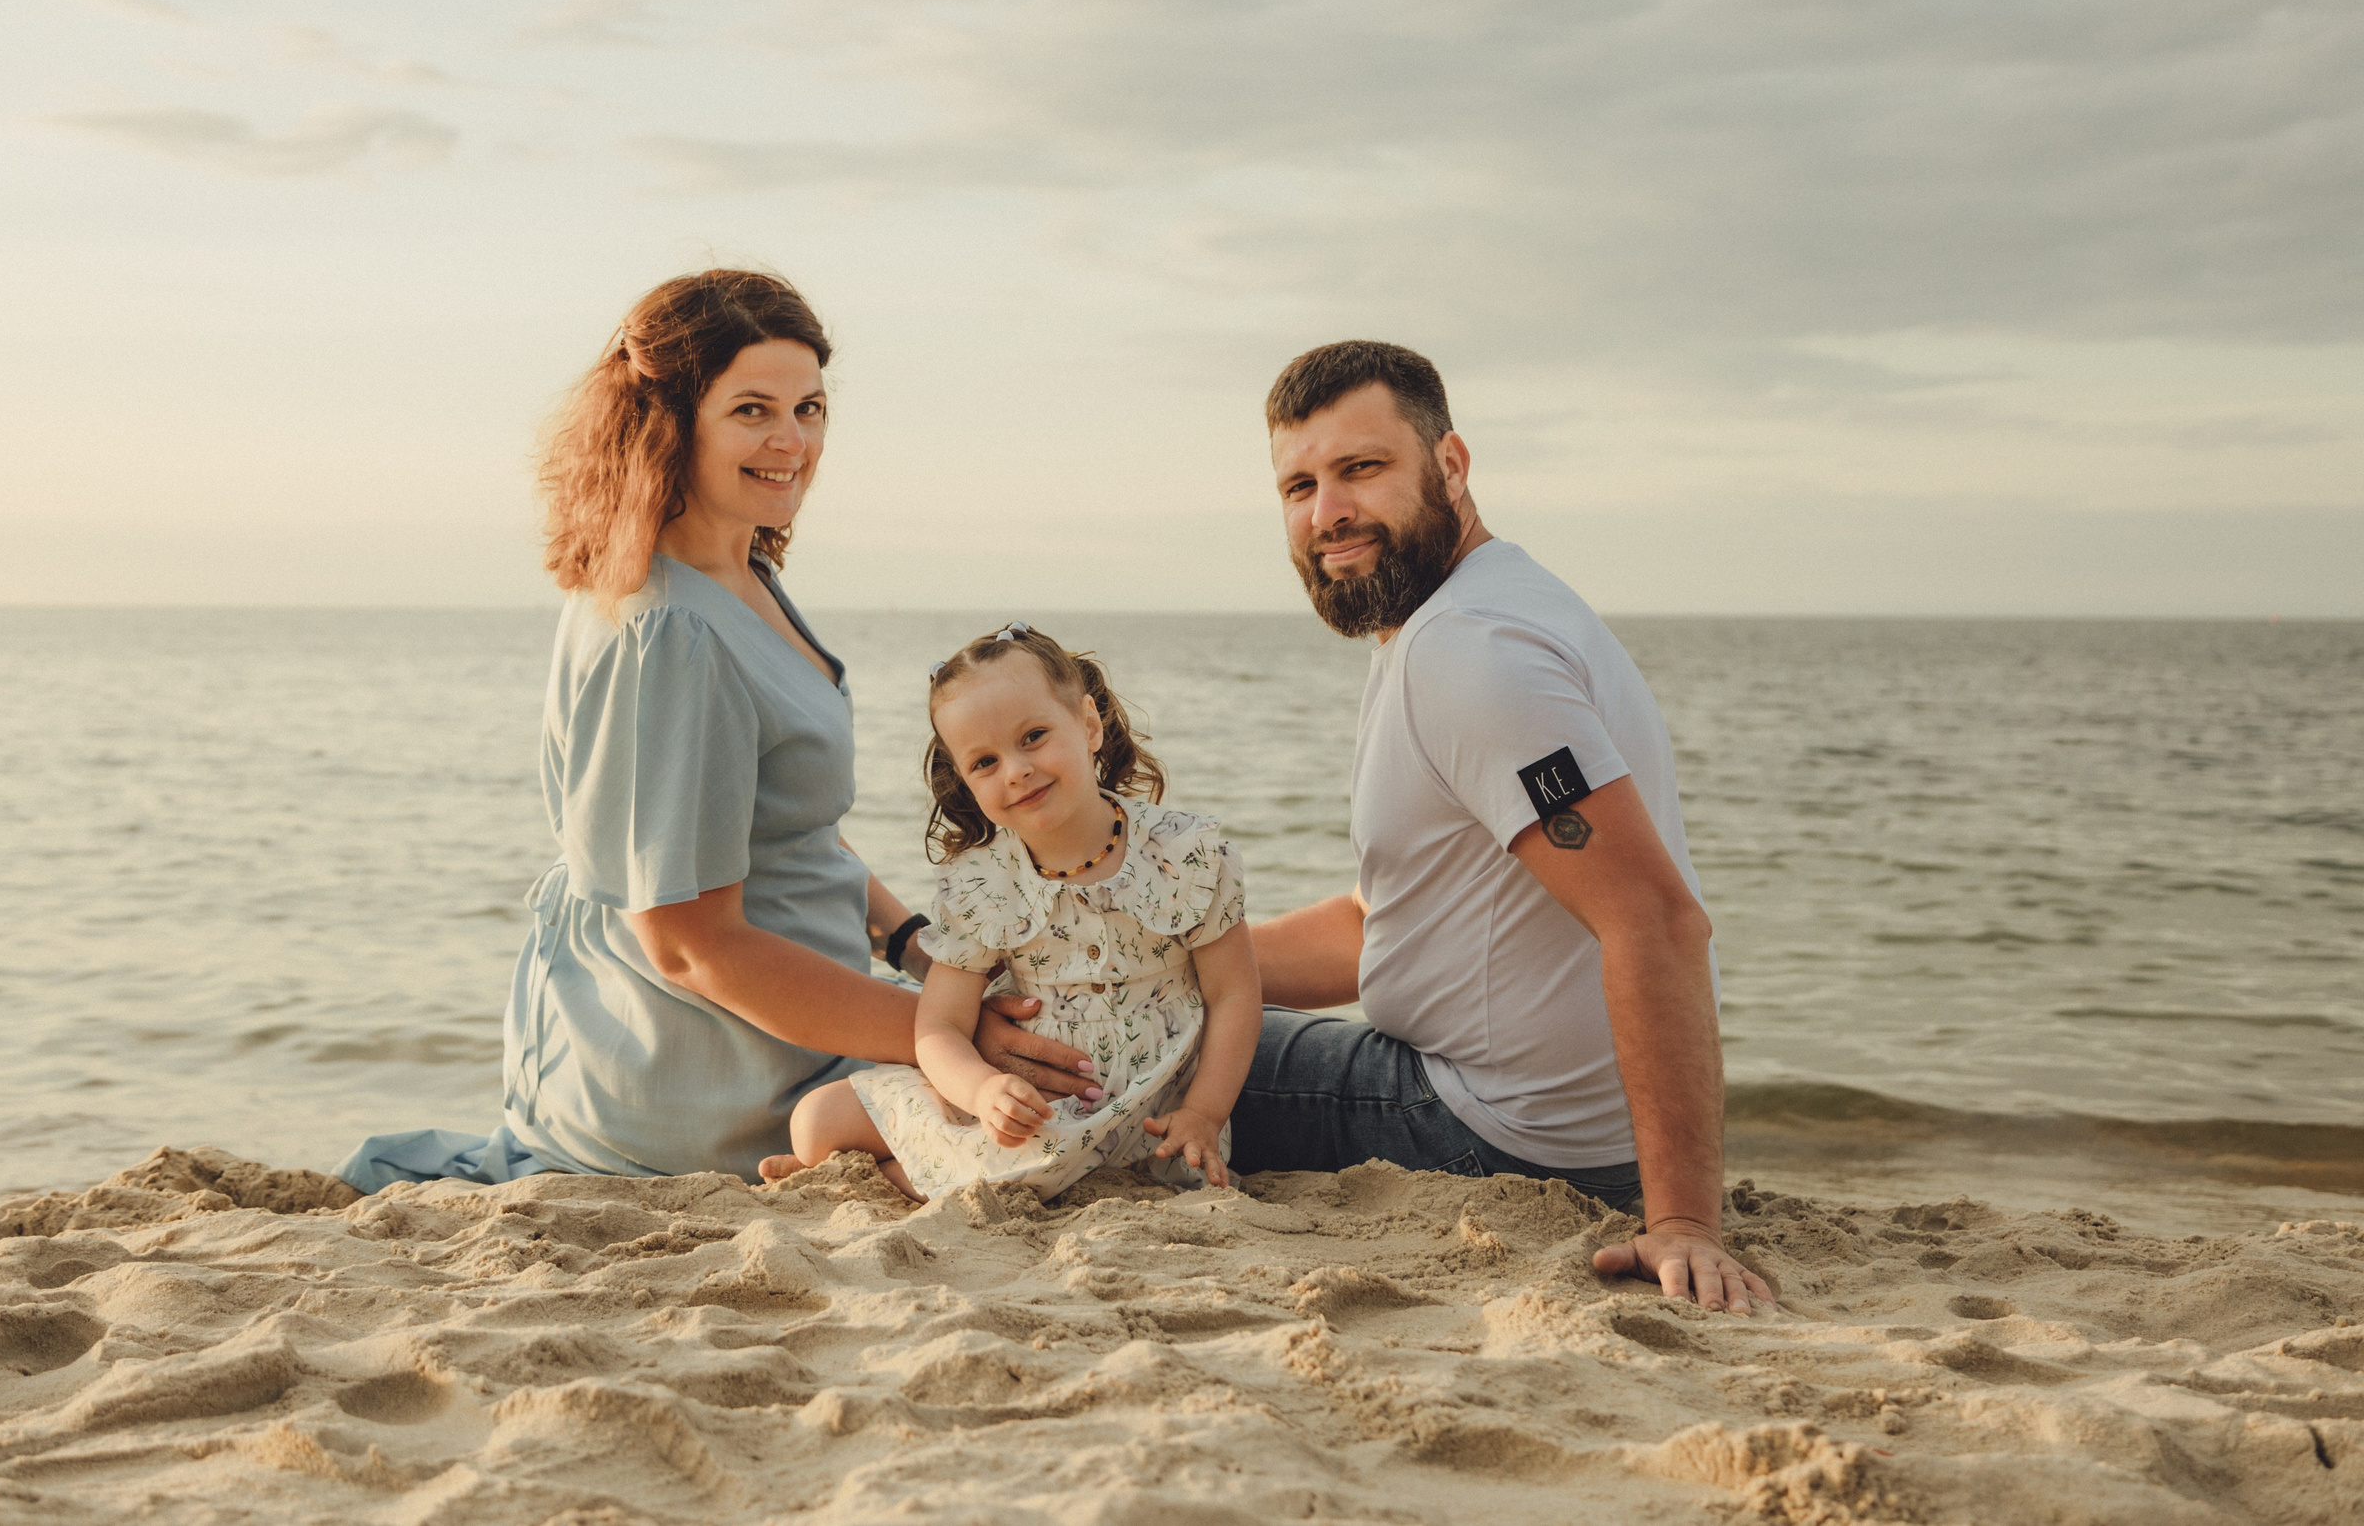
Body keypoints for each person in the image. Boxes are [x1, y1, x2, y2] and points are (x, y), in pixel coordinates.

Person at [330, 270, 1101, 1193]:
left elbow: (785, 825)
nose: (793, 440)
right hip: (704, 1067)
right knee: (1079, 1076)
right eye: (752, 410)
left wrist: (913, 945)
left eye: (809, 407)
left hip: (797, 1011)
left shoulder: (738, 573)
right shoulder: (672, 631)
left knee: (1090, 1020)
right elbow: (691, 944)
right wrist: (945, 1032)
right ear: (671, 424)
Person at [1220, 339, 1775, 1315]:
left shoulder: (1469, 653)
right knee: (1176, 1002)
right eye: (1297, 486)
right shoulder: (1477, 613)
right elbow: (1378, 923)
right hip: (1548, 1125)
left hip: (1490, 1133)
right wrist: (1172, 959)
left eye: (1360, 469)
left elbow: (1655, 920)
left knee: (1145, 1041)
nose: (1326, 513)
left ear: (1451, 465)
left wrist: (1683, 1222)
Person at [762, 623, 1263, 1201]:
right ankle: (870, 1175)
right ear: (966, 781)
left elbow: (1234, 995)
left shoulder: (1185, 855)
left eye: (1033, 736)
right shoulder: (983, 882)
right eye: (984, 762)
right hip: (1029, 1100)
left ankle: (884, 1181)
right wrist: (981, 1092)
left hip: (1148, 1113)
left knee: (1027, 1165)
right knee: (816, 1121)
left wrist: (1205, 1112)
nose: (1015, 770)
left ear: (1089, 724)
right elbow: (941, 1025)